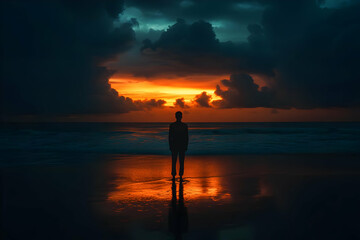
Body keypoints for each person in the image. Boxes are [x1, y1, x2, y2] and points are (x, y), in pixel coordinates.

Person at [169, 111, 188, 180]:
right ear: (181, 117)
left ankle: (175, 175)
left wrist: (170, 145)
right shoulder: (184, 126)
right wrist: (186, 145)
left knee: (175, 161)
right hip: (180, 145)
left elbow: (170, 137)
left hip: (176, 145)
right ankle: (180, 175)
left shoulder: (173, 125)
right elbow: (186, 137)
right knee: (180, 161)